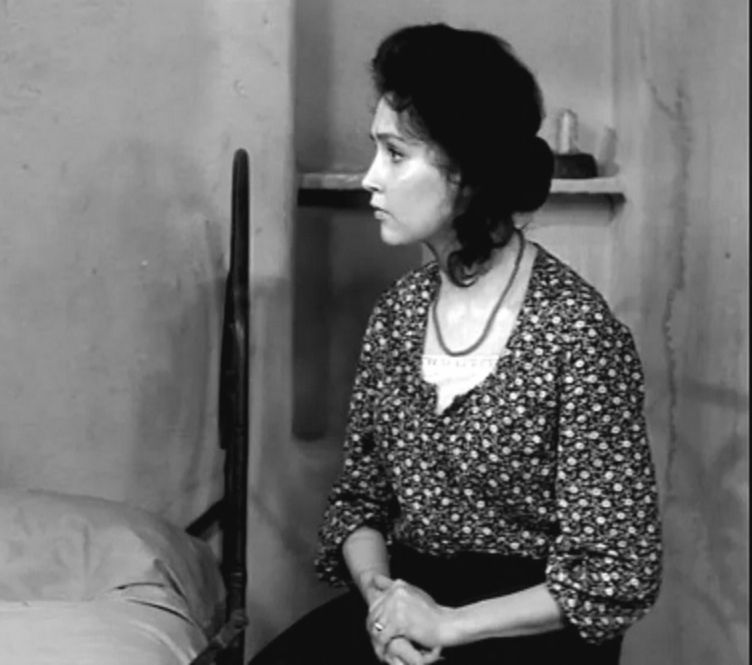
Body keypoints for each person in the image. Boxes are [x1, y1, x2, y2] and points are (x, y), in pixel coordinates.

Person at [252, 23, 662, 665]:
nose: (370, 178)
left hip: (529, 631)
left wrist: (449, 625)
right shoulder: (396, 317)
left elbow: (619, 568)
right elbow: (358, 503)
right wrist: (383, 600)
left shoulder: (577, 331)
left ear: (468, 171)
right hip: (410, 598)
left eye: (394, 154)